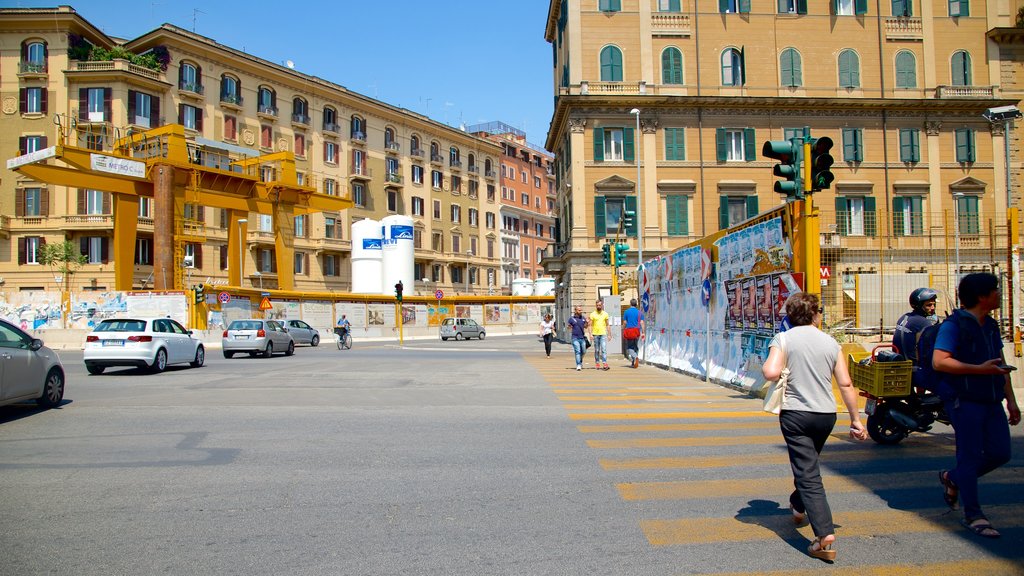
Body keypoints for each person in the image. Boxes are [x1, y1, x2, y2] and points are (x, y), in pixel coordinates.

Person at [762, 292, 867, 563]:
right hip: (825, 415)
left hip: (795, 414)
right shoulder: (831, 342)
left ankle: (824, 536)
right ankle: (798, 504)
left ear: (790, 315)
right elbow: (845, 384)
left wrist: (786, 366)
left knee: (808, 472)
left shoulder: (784, 339)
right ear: (816, 314)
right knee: (807, 464)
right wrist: (856, 420)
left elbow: (770, 372)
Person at [933, 272, 1020, 538]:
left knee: (1000, 453)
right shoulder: (955, 325)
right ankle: (974, 515)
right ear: (982, 297)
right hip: (965, 401)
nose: (999, 294)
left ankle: (954, 478)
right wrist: (978, 370)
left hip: (992, 400)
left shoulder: (991, 325)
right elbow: (940, 361)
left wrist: (1012, 401)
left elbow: (999, 363)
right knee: (969, 457)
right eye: (995, 290)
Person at [893, 287, 938, 365]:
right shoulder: (924, 322)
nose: (933, 308)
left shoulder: (904, 317)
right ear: (919, 306)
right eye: (929, 305)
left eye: (934, 304)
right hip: (914, 367)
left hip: (900, 362)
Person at [588, 299, 610, 371]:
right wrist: (590, 334)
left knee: (603, 349)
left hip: (603, 333)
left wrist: (609, 334)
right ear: (596, 306)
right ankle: (597, 362)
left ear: (602, 305)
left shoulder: (605, 314)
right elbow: (590, 325)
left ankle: (604, 363)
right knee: (597, 350)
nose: (598, 306)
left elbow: (607, 325)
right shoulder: (592, 314)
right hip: (595, 334)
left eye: (600, 305)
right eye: (597, 305)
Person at [623, 298, 644, 368]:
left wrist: (623, 329)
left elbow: (625, 322)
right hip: (637, 331)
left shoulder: (626, 312)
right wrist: (643, 332)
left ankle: (635, 357)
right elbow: (642, 322)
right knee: (635, 346)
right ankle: (633, 362)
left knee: (629, 347)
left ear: (630, 304)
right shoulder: (640, 312)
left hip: (629, 331)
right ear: (636, 304)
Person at [567, 305, 589, 371]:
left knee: (584, 351)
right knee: (578, 351)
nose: (580, 311)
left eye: (581, 310)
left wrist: (587, 322)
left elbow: (585, 327)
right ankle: (578, 365)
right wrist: (569, 327)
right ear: (575, 311)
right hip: (575, 338)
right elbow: (568, 327)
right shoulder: (571, 319)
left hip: (582, 338)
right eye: (579, 310)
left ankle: (580, 361)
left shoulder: (583, 318)